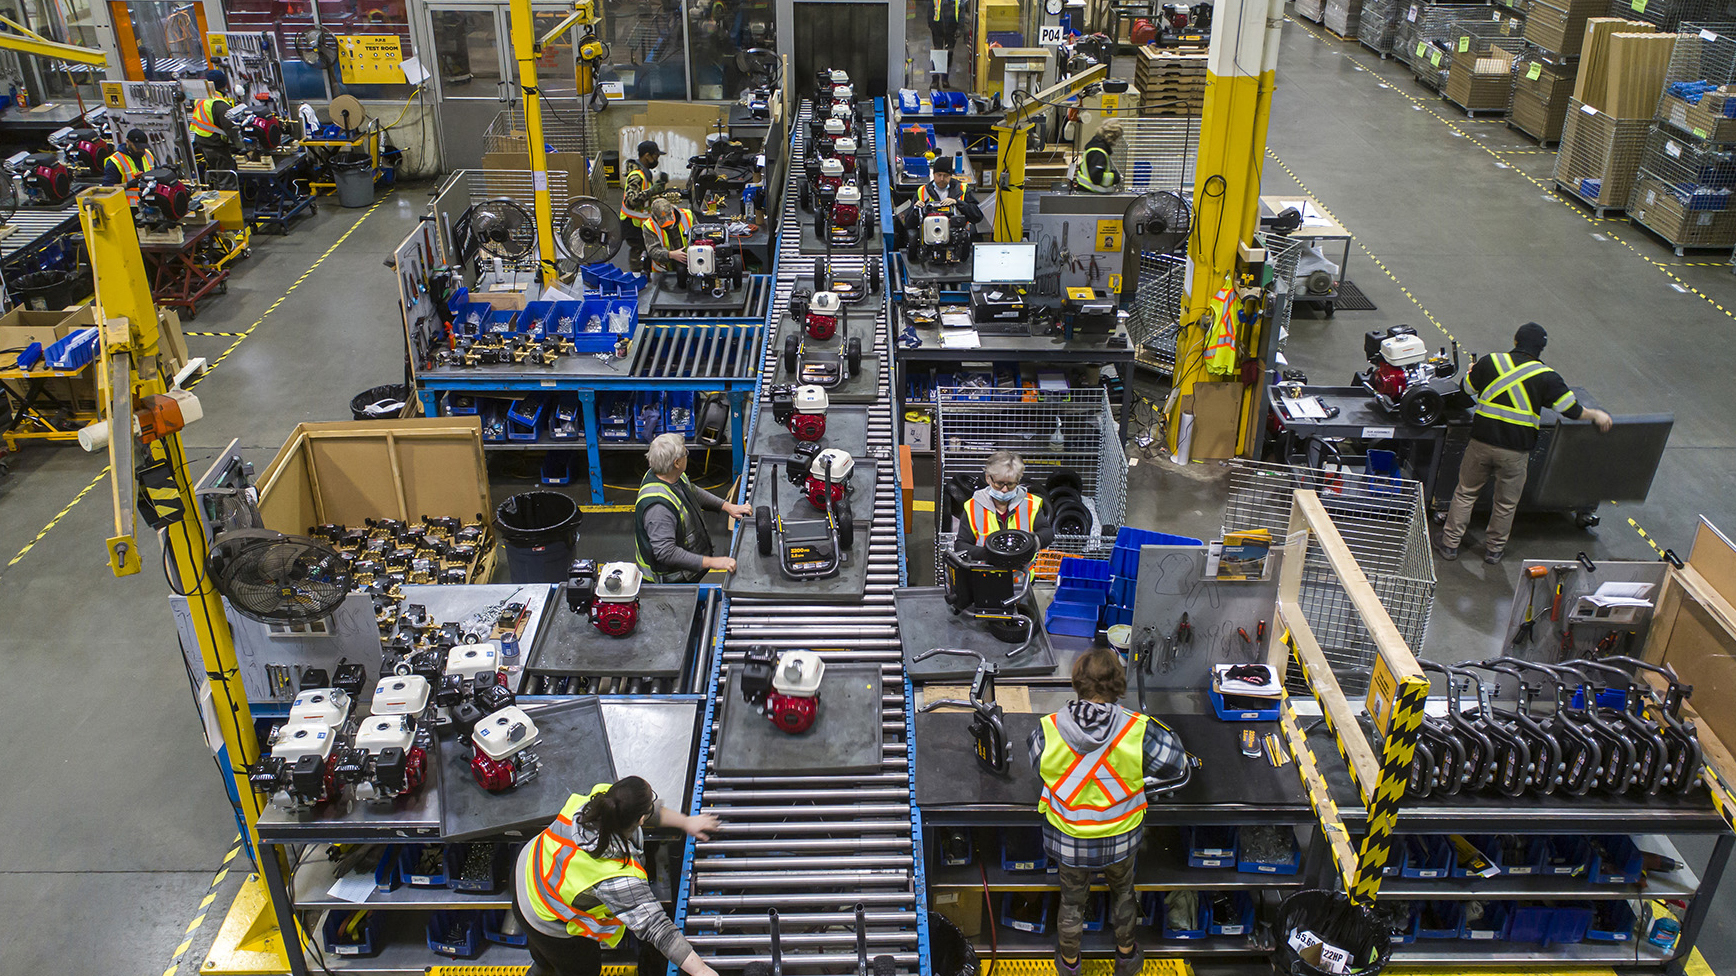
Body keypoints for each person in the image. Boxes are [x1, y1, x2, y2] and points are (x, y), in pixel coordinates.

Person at [1028, 649, 1189, 976]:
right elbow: (1177, 763)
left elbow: (1036, 763)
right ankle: (1126, 957)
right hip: (1120, 838)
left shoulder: (1050, 728)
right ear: (1118, 686)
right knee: (1123, 892)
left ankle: (1070, 965)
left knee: (1072, 902)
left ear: (1077, 683)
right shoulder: (1136, 730)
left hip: (1070, 838)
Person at [1437, 322, 1613, 564]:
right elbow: (1570, 409)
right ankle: (1494, 551)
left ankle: (1449, 544)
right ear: (1541, 348)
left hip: (1480, 444)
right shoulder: (1547, 377)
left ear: (1515, 340)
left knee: (1465, 493)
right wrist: (1596, 415)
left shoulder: (1491, 362)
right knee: (1506, 503)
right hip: (1515, 452)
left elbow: (1466, 390)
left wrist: (1471, 372)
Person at [513, 776, 723, 976]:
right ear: (640, 819)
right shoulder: (613, 875)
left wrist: (686, 822)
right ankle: (544, 967)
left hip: (529, 874)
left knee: (544, 954)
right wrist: (700, 970)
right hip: (545, 915)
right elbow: (656, 926)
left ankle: (541, 967)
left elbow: (645, 810)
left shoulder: (601, 800)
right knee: (581, 968)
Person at [635, 432, 751, 582]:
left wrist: (727, 506)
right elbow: (666, 553)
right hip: (669, 582)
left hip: (684, 572)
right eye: (685, 453)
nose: (687, 456)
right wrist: (713, 562)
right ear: (676, 463)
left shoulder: (668, 474)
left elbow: (692, 491)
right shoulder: (659, 508)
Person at [955, 450, 1053, 550]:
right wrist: (987, 554)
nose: (1005, 489)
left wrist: (1032, 543)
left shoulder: (1031, 504)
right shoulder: (973, 506)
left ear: (1018, 480)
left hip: (1023, 565)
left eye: (1010, 484)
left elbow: (1047, 532)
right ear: (988, 478)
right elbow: (961, 545)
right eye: (999, 483)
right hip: (985, 565)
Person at [620, 140, 675, 271]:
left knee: (647, 250)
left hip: (641, 223)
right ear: (647, 156)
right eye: (655, 156)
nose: (657, 160)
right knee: (638, 252)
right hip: (633, 224)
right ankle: (638, 277)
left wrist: (658, 190)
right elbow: (631, 200)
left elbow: (645, 197)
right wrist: (651, 191)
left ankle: (646, 275)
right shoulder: (636, 176)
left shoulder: (645, 172)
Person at [906, 155, 983, 230]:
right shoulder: (923, 191)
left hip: (956, 234)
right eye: (939, 175)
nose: (942, 179)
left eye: (945, 176)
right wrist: (915, 210)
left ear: (951, 176)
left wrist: (957, 203)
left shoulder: (962, 189)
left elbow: (977, 216)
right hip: (930, 234)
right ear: (933, 174)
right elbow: (908, 224)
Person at [190, 68, 239, 178]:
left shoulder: (199, 99)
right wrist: (240, 146)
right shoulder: (220, 105)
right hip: (216, 144)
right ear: (224, 84)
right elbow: (231, 128)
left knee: (215, 175)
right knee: (226, 177)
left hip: (201, 142)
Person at [643, 197, 696, 275]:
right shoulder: (649, 226)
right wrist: (670, 255)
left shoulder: (688, 215)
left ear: (672, 209)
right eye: (663, 221)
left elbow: (699, 236)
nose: (668, 224)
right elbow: (653, 250)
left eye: (669, 218)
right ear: (655, 217)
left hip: (691, 265)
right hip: (664, 271)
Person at [1073, 119, 1123, 194]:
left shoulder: (1095, 147)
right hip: (1092, 194)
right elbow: (1097, 177)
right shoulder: (1098, 152)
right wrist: (1115, 177)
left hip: (1088, 193)